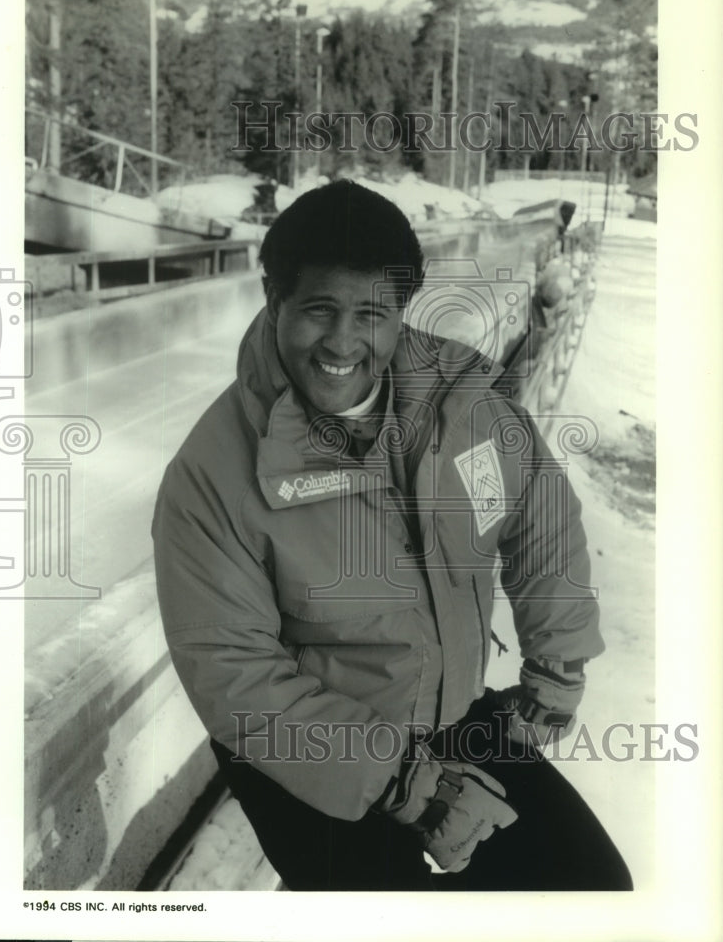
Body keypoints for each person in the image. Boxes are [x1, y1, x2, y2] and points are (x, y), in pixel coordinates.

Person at [152, 180, 632, 891]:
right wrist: (413, 788)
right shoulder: (212, 475)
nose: (343, 343)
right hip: (301, 747)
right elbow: (235, 671)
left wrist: (557, 666)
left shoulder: (460, 402)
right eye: (318, 310)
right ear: (273, 297)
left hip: (448, 714)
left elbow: (540, 517)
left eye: (371, 314)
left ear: (402, 310)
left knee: (590, 884)